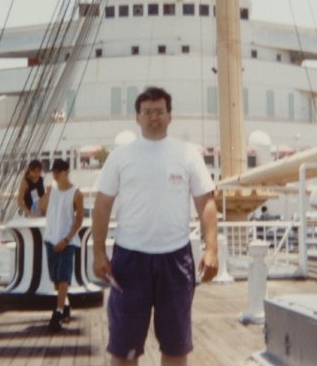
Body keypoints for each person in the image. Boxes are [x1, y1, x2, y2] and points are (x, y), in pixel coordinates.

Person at [92, 86, 219, 366]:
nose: (154, 118)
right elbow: (102, 206)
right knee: (124, 348)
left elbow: (206, 204)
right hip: (129, 261)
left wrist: (212, 249)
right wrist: (98, 252)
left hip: (175, 260)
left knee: (175, 347)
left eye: (159, 112)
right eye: (147, 112)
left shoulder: (187, 154)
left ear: (170, 116)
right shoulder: (120, 156)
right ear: (137, 117)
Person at [39, 158, 84, 332]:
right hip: (51, 239)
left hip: (67, 242)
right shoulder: (52, 190)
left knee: (64, 277)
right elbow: (42, 208)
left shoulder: (76, 193)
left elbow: (79, 220)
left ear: (65, 172)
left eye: (57, 171)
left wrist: (66, 240)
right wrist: (48, 193)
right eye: (53, 172)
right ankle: (64, 306)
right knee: (56, 280)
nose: (54, 175)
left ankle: (57, 314)